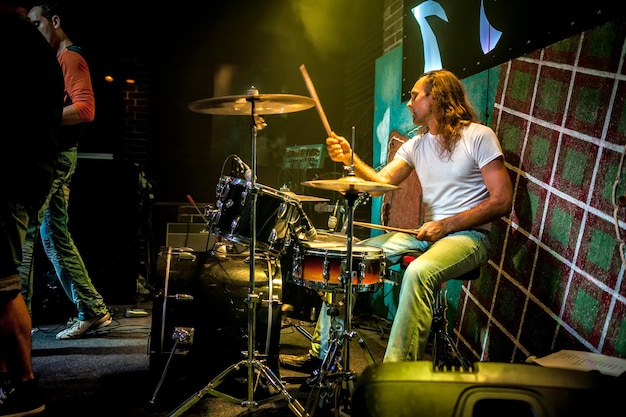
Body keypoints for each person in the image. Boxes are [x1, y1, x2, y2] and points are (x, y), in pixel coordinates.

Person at [280, 69, 512, 370]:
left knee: (419, 272)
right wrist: (350, 159)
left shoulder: (479, 136)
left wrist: (446, 224)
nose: (408, 102)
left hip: (469, 237)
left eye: (415, 95)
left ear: (436, 96)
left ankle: (396, 374)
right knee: (350, 258)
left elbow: (502, 200)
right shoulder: (416, 145)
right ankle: (322, 357)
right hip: (426, 236)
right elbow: (378, 185)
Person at [21, 1, 112, 340]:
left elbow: (86, 109)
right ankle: (91, 310)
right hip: (60, 156)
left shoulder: (69, 57)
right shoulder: (58, 59)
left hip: (57, 159)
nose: (34, 30)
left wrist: (40, 118)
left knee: (28, 233)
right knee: (54, 237)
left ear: (55, 20)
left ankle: (18, 326)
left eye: (37, 23)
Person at [0, 0, 63, 414]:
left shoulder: (57, 53)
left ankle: (23, 388)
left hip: (12, 170)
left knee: (3, 283)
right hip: (32, 167)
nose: (38, 26)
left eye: (44, 21)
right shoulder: (37, 49)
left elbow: (87, 108)